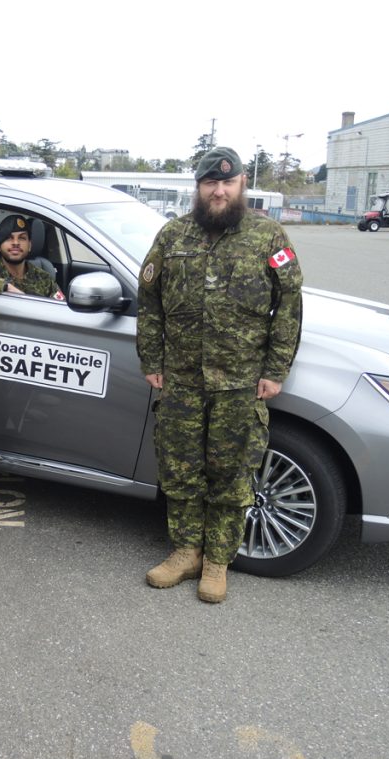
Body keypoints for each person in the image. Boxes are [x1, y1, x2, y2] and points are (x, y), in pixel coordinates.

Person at [135, 146, 303, 603]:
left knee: (231, 473)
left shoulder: (269, 237)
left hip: (240, 381)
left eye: (227, 183)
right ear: (198, 187)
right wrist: (151, 360)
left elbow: (288, 306)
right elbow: (148, 301)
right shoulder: (173, 236)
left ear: (242, 184)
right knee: (180, 466)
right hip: (183, 379)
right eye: (211, 183)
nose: (219, 190)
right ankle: (186, 551)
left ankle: (217, 561)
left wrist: (275, 369)